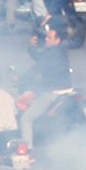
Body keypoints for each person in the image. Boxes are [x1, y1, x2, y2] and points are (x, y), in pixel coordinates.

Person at [16, 23, 71, 151]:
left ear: (58, 40)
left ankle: (26, 150)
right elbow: (40, 58)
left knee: (26, 119)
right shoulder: (60, 51)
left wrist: (23, 79)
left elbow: (36, 68)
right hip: (67, 91)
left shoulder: (52, 53)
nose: (46, 39)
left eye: (50, 37)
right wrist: (32, 47)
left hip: (53, 94)